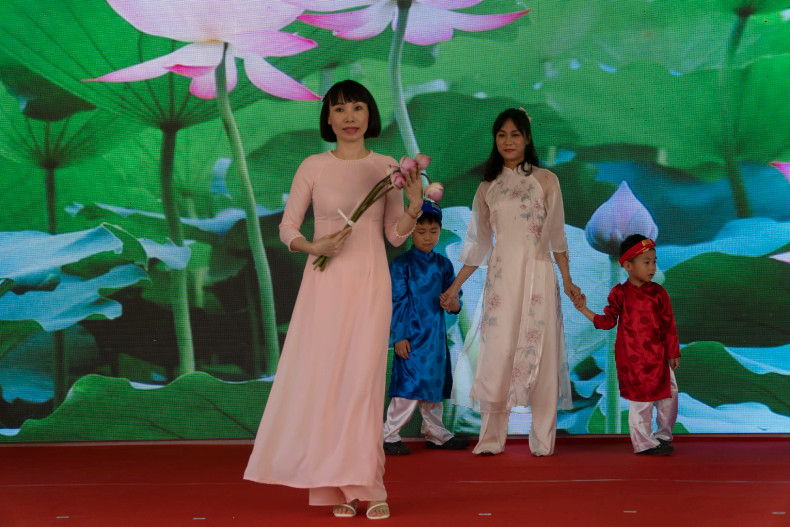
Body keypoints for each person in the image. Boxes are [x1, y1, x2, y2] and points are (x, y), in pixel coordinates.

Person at [244, 80, 424, 520]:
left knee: (363, 386)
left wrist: (415, 204)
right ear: (327, 117)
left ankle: (370, 484)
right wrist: (313, 247)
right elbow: (288, 228)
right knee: (327, 384)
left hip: (369, 283)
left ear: (370, 115)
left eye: (358, 108)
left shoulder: (386, 167)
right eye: (339, 109)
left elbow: (393, 235)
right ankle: (333, 488)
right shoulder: (312, 166)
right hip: (323, 285)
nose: (349, 117)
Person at [440, 108, 579, 457]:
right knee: (496, 354)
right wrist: (455, 286)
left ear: (527, 139)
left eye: (514, 134)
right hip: (501, 278)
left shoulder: (547, 181)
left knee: (542, 355)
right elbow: (478, 245)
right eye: (501, 135)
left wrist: (568, 280)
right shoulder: (488, 188)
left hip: (539, 274)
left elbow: (557, 236)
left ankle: (543, 439)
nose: (508, 141)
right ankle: (490, 438)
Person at [574, 234, 680, 455]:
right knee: (641, 401)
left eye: (654, 261)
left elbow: (668, 324)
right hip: (633, 355)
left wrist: (673, 352)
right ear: (628, 266)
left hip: (659, 353)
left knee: (669, 394)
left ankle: (663, 436)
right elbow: (607, 322)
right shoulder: (619, 293)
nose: (652, 267)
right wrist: (584, 309)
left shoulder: (659, 293)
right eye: (646, 262)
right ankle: (643, 444)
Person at [382, 201, 470, 456]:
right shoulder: (402, 265)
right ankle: (389, 435)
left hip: (436, 338)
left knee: (434, 387)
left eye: (433, 232)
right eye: (421, 232)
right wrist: (399, 336)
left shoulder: (444, 265)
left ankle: (436, 434)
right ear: (411, 232)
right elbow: (396, 301)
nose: (428, 237)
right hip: (410, 335)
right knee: (407, 389)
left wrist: (453, 303)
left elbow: (455, 302)